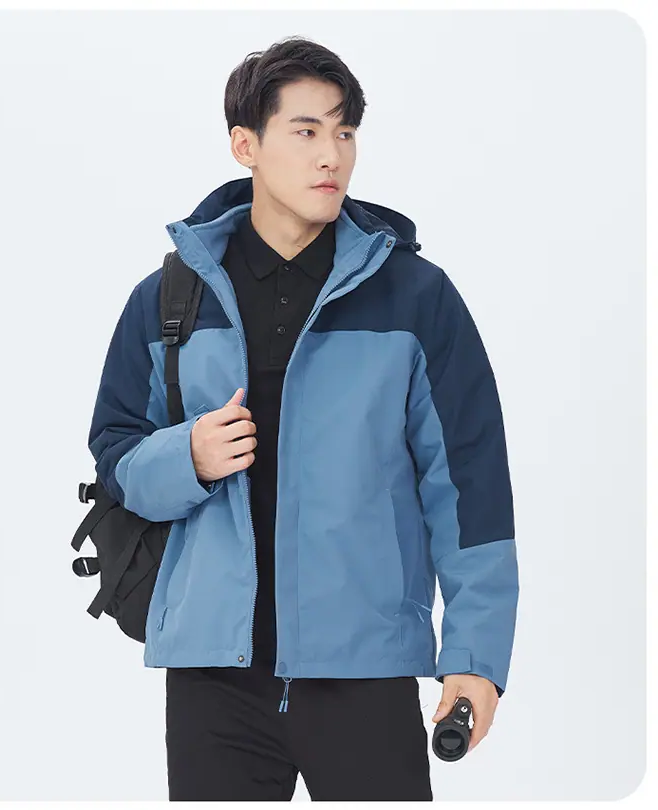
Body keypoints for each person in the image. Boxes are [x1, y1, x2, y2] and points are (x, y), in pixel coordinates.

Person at [87, 35, 519, 801]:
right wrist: (187, 457)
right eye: (307, 130)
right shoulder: (168, 300)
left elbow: (470, 487)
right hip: (213, 681)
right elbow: (114, 457)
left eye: (345, 131)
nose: (332, 155)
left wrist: (475, 657)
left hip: (365, 672)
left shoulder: (417, 298)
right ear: (245, 145)